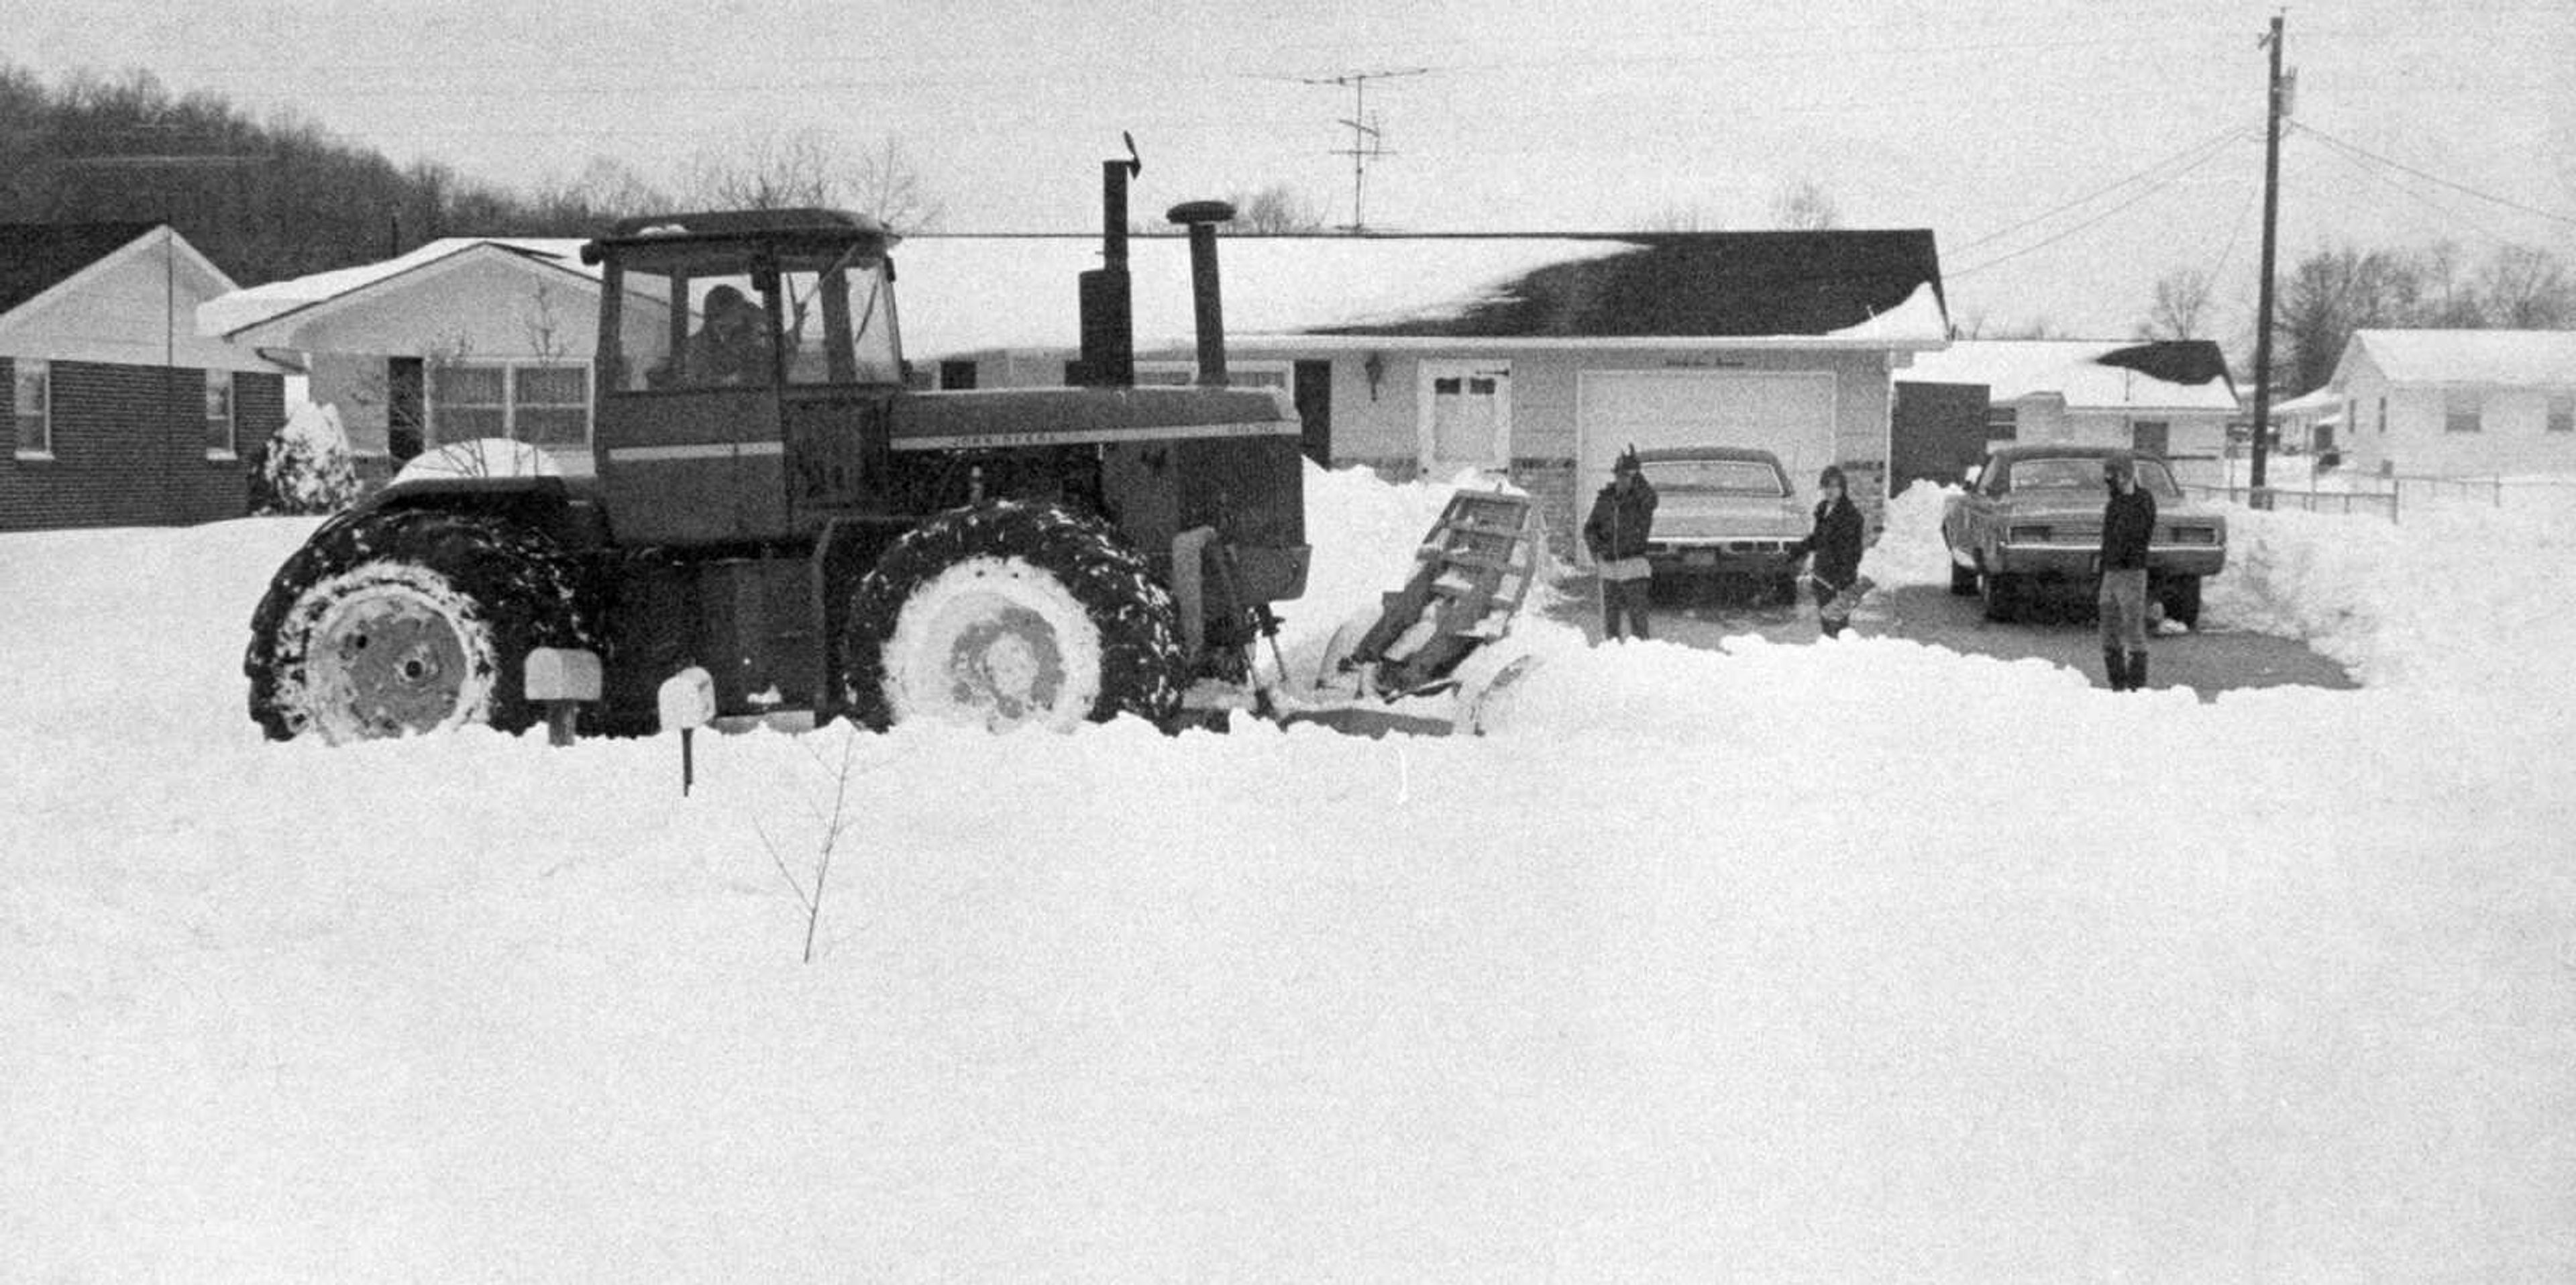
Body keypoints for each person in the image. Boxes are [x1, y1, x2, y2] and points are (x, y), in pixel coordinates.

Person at [1582, 447, 1658, 641]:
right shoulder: (1605, 500)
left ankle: (1641, 658)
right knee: (1610, 622)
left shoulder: (1641, 501)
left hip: (1634, 565)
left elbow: (1651, 499)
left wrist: (1637, 474)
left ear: (1633, 479)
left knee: (1638, 622)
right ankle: (1612, 657)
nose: (1622, 480)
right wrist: (1596, 549)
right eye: (1620, 476)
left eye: (1627, 477)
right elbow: (1590, 528)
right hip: (1608, 566)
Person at [2097, 450, 2157, 690]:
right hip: (2111, 572)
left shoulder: (2142, 500)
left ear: (2125, 475)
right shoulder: (2114, 503)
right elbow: (2109, 539)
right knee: (2108, 629)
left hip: (2132, 572)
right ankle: (2117, 683)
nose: (2108, 480)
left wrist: (2129, 494)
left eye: (2112, 475)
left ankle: (2136, 686)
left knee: (2133, 628)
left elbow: (2137, 532)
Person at [1787, 464, 1867, 638]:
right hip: (1822, 577)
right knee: (1826, 624)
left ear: (1843, 489)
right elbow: (1818, 539)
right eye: (1827, 486)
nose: (1830, 490)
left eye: (1835, 486)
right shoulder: (1823, 510)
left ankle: (1841, 660)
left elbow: (1854, 551)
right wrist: (1798, 549)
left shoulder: (1850, 515)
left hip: (1839, 580)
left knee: (1838, 627)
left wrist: (1843, 579)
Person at [684, 285, 773, 386]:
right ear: (723, 313)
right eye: (738, 309)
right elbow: (696, 385)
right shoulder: (694, 348)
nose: (741, 317)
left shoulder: (741, 340)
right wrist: (738, 378)